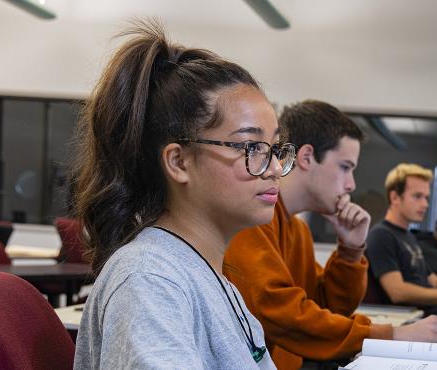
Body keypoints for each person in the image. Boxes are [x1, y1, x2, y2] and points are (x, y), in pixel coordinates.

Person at [72, 21, 295, 369]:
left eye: (275, 148)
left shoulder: (208, 277)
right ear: (178, 162)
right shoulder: (150, 281)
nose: (274, 168)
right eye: (251, 146)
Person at [223, 100, 437, 370]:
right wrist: (390, 336)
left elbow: (328, 308)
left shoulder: (298, 231)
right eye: (345, 167)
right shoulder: (252, 221)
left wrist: (351, 250)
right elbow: (280, 313)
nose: (351, 184)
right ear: (306, 157)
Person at [365, 164, 437, 309]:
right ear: (395, 197)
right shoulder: (381, 235)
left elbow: (434, 281)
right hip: (413, 320)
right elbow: (397, 292)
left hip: (431, 314)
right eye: (417, 196)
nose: (425, 204)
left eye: (426, 198)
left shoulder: (409, 236)